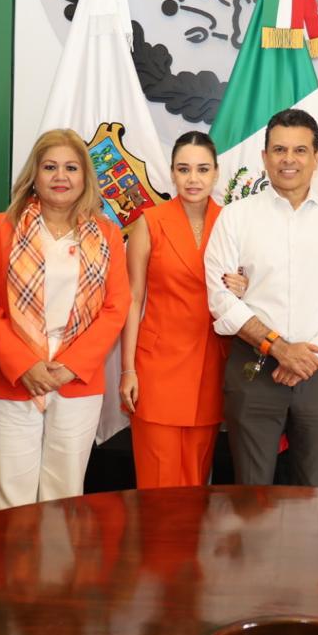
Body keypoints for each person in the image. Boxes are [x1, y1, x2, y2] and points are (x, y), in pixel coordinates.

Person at [204, 108, 318, 486]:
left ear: (317, 157)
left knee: (317, 490)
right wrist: (279, 348)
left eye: (300, 150)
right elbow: (220, 298)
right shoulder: (235, 217)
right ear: (264, 157)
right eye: (279, 150)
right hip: (255, 368)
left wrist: (308, 356)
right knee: (252, 494)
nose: (289, 159)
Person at [0, 128, 131, 507]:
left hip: (76, 381)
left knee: (64, 499)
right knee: (10, 502)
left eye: (71, 168)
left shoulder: (107, 234)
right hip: (12, 380)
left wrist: (70, 366)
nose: (60, 176)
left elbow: (117, 307)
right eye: (50, 167)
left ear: (85, 177)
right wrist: (24, 365)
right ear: (34, 173)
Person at [118, 131, 246, 488]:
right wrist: (127, 370)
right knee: (156, 486)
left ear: (216, 173)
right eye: (184, 169)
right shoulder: (149, 222)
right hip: (157, 368)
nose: (193, 179)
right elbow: (133, 299)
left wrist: (244, 288)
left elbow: (258, 291)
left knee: (195, 485)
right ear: (172, 173)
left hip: (211, 364)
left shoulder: (233, 222)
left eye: (202, 169)